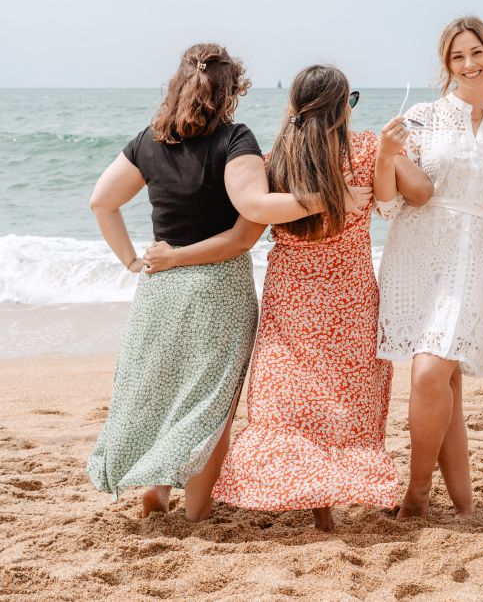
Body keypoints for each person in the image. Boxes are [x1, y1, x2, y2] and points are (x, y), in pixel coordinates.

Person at [87, 44, 372, 522]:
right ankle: (198, 514)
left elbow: (101, 202)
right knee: (211, 407)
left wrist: (134, 260)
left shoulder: (149, 140)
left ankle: (154, 498)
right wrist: (329, 198)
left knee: (160, 392)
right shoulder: (235, 140)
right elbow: (251, 219)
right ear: (230, 93)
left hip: (159, 288)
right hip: (216, 288)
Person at [208, 65, 432, 531]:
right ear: (341, 107)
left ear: (295, 107)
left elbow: (245, 225)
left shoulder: (275, 160)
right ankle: (335, 496)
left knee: (291, 402)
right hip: (350, 294)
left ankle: (317, 505)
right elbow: (421, 192)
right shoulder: (368, 147)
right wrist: (392, 153)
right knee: (345, 401)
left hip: (291, 296)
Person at [375, 16, 483, 519]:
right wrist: (386, 155)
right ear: (446, 65)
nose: (469, 64)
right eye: (458, 57)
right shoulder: (422, 117)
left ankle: (415, 496)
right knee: (443, 378)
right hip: (417, 251)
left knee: (431, 371)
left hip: (477, 257)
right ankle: (463, 503)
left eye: (475, 53)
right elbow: (389, 204)